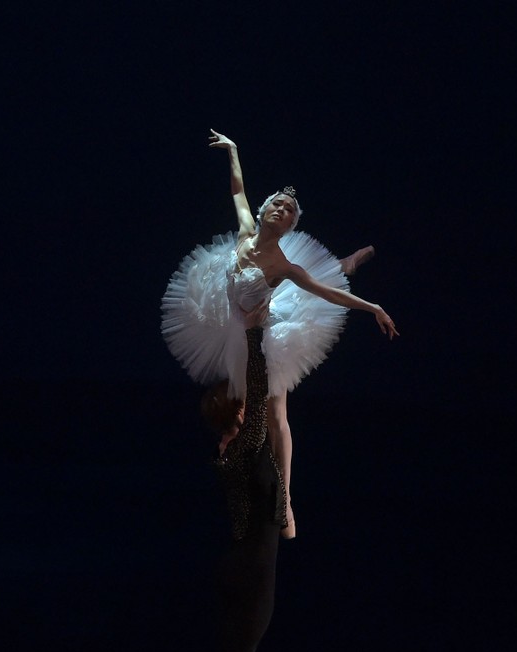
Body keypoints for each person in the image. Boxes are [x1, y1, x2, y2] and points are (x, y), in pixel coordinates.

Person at [162, 129, 398, 538]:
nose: (280, 208)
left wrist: (373, 307)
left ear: (290, 224)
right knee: (240, 401)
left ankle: (285, 502)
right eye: (276, 203)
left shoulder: (286, 266)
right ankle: (348, 263)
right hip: (232, 318)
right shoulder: (243, 233)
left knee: (276, 415)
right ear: (265, 209)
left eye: (289, 209)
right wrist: (233, 150)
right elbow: (238, 190)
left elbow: (326, 294)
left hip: (268, 333)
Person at [208, 300, 284, 652]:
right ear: (236, 407)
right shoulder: (245, 446)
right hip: (252, 574)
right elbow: (258, 393)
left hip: (240, 566)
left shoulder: (228, 451)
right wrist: (254, 336)